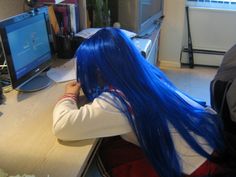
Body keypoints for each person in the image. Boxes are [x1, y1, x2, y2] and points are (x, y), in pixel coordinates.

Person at [53, 28, 235, 177]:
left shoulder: (117, 101)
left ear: (97, 71)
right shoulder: (148, 78)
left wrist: (69, 96)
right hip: (212, 146)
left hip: (201, 169)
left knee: (108, 153)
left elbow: (63, 126)